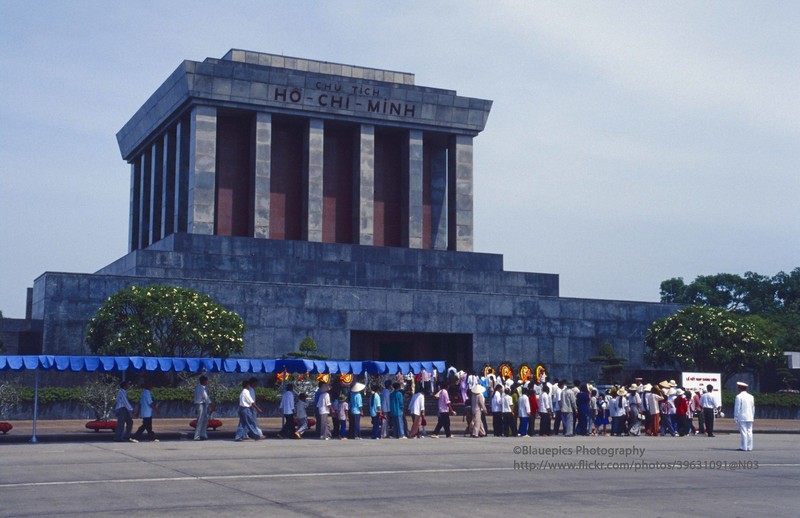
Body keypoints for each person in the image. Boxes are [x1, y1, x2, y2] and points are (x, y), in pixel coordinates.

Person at [734, 381, 755, 451]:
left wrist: (736, 417)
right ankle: (749, 447)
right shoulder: (751, 396)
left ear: (739, 388)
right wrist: (752, 415)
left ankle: (744, 447)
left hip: (742, 416)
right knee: (749, 432)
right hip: (750, 416)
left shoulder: (738, 396)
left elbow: (737, 408)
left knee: (743, 432)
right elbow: (753, 407)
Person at [193, 376, 212, 441]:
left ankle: (203, 434)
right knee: (200, 420)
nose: (207, 382)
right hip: (200, 404)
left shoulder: (198, 387)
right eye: (206, 381)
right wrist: (211, 404)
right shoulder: (201, 388)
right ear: (204, 381)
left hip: (202, 404)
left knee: (205, 420)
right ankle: (197, 436)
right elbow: (205, 397)